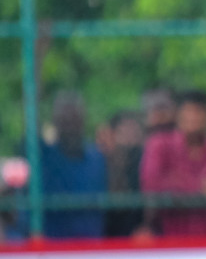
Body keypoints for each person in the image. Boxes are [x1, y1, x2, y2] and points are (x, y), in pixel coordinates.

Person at [138, 89, 206, 236]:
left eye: (199, 112)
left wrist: (177, 186)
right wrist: (199, 189)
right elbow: (152, 188)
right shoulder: (159, 146)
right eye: (189, 112)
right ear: (178, 114)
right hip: (169, 237)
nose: (194, 118)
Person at [39, 91, 107, 239]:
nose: (70, 127)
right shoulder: (44, 158)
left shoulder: (98, 158)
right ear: (55, 122)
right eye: (65, 121)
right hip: (53, 245)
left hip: (92, 245)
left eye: (74, 120)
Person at [102, 110, 145, 237]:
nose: (130, 136)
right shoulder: (102, 164)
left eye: (135, 131)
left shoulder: (145, 164)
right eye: (125, 131)